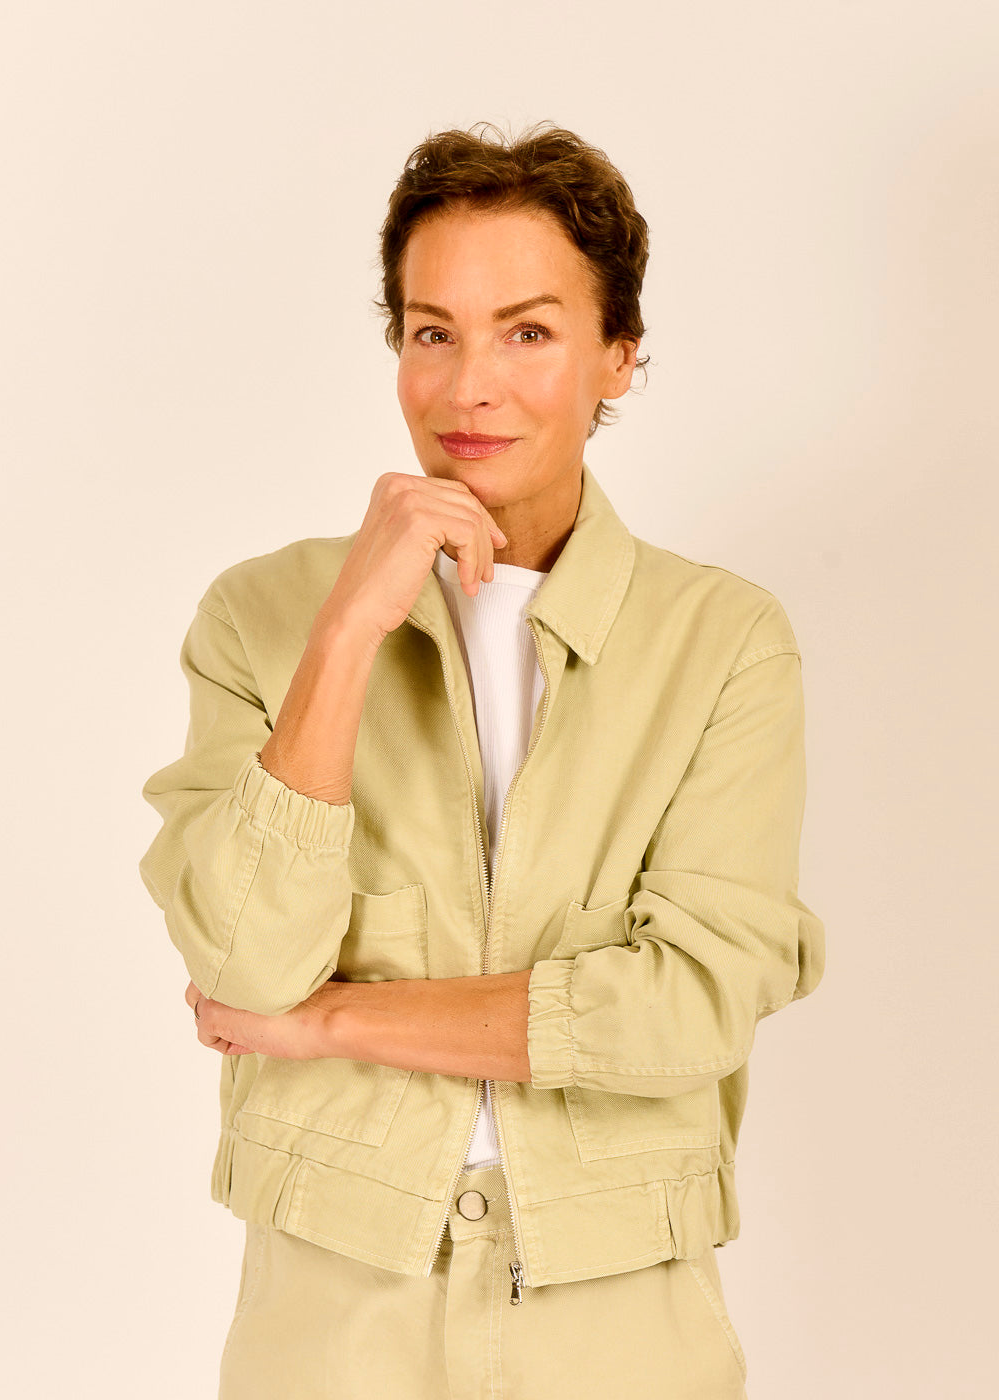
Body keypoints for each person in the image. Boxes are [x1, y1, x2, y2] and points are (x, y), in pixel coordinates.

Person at [138, 120, 825, 1399]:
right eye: (430, 331)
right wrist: (348, 628)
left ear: (618, 353)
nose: (469, 387)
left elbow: (687, 1004)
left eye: (527, 332)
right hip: (330, 1320)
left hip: (619, 1320)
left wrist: (333, 1019)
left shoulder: (722, 640)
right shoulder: (260, 614)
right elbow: (240, 957)